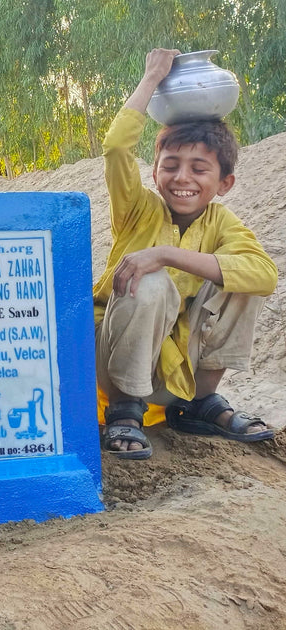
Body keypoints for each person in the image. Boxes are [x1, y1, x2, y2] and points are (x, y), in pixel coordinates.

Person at [94, 48, 277, 460]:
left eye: (199, 168)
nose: (182, 178)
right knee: (152, 283)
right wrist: (152, 79)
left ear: (224, 183)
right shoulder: (136, 206)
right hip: (113, 367)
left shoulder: (221, 223)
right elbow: (116, 149)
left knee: (240, 279)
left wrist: (167, 254)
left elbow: (264, 274)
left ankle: (198, 403)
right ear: (155, 170)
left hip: (175, 372)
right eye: (171, 164)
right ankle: (125, 410)